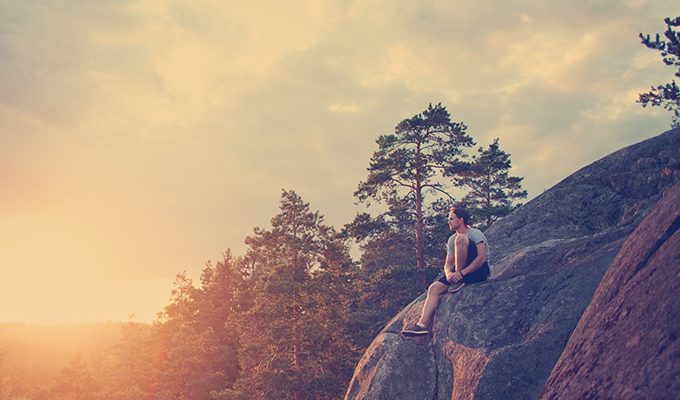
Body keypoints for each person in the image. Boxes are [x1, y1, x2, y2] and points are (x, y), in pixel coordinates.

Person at [401, 206, 491, 336]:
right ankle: (422, 325)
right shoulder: (451, 239)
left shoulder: (475, 233)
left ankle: (458, 281)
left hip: (477, 270)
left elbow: (482, 258)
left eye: (451, 219)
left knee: (461, 238)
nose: (448, 222)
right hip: (458, 274)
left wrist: (461, 274)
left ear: (461, 220)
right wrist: (449, 274)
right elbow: (448, 264)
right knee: (434, 288)